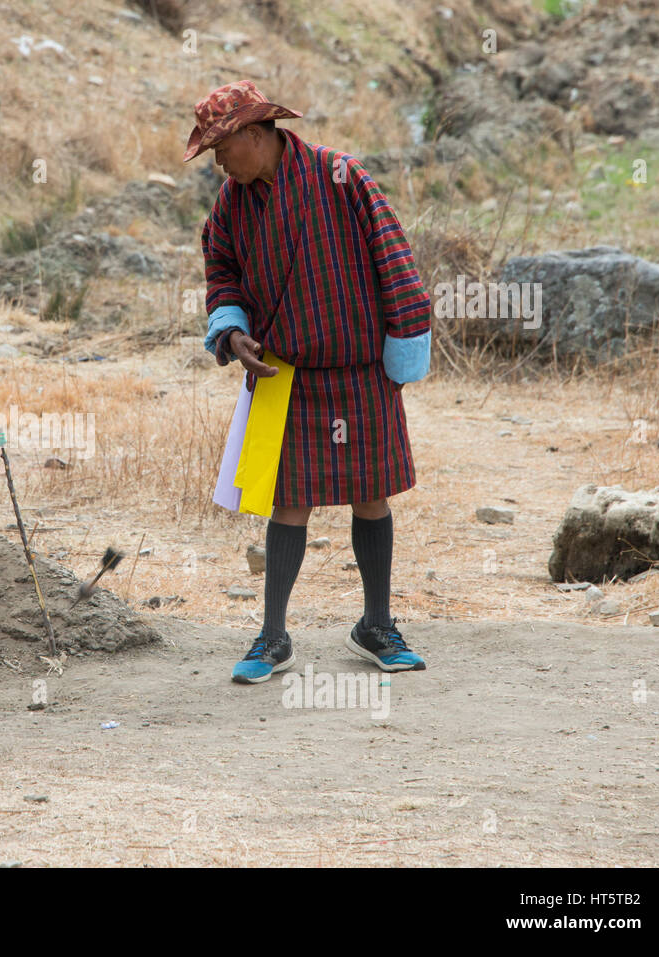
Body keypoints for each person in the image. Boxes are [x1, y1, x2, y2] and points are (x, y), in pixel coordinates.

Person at [184, 81, 431, 684]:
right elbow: (221, 267)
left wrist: (404, 344)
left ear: (254, 133)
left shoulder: (342, 177)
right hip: (284, 371)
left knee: (371, 494)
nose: (218, 162)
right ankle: (272, 638)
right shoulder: (232, 204)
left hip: (360, 369)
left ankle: (376, 624)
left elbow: (395, 260)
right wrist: (231, 329)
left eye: (221, 147)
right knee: (288, 505)